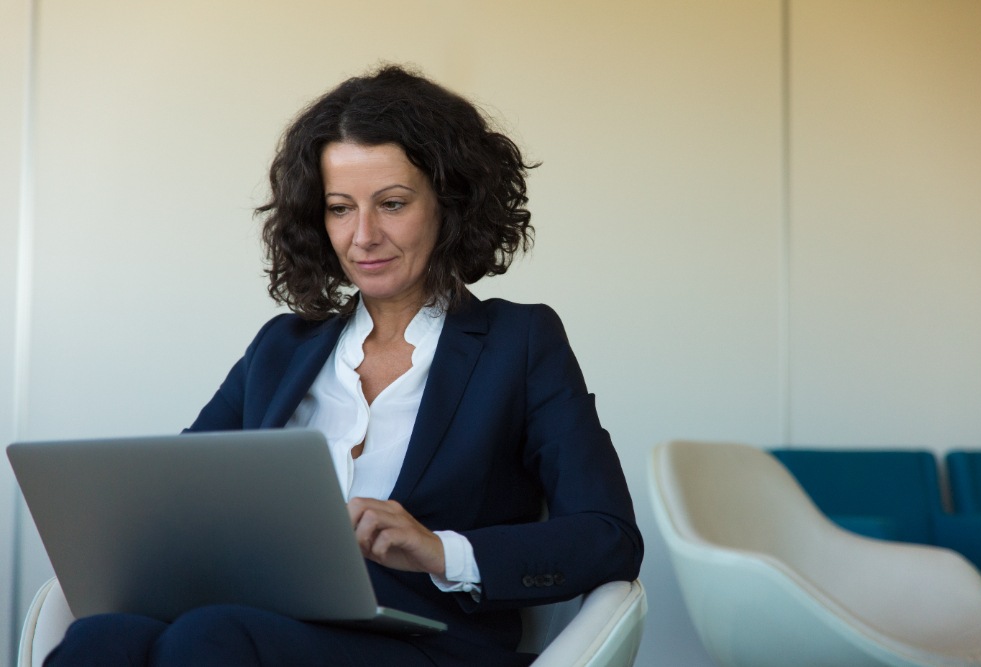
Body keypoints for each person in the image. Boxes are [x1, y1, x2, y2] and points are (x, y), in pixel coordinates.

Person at [45, 64, 642, 667]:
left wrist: (439, 549)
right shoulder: (280, 350)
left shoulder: (520, 342)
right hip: (255, 615)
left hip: (422, 641)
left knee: (211, 638)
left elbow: (607, 535)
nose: (363, 236)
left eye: (392, 204)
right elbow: (176, 503)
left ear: (450, 204)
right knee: (102, 638)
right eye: (339, 208)